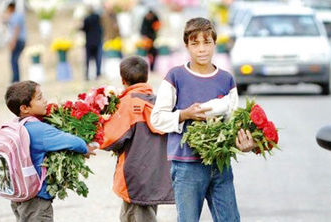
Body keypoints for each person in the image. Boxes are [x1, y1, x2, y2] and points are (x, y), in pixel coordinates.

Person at [150, 17, 257, 222]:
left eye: (207, 42)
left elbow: (233, 122)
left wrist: (244, 143)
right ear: (187, 46)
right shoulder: (176, 76)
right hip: (187, 166)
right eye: (195, 43)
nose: (202, 49)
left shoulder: (226, 79)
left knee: (230, 219)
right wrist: (184, 114)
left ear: (215, 44)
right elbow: (156, 119)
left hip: (220, 164)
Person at [5, 80, 96, 222]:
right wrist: (85, 148)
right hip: (36, 200)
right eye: (40, 98)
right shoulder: (38, 130)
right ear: (25, 108)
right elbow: (72, 141)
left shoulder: (15, 125)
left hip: (19, 196)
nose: (45, 100)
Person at [100, 56, 174, 222]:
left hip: (134, 177)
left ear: (123, 80)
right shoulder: (157, 103)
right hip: (155, 176)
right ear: (146, 77)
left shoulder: (127, 104)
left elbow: (110, 139)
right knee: (139, 214)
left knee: (136, 217)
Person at [80, 7, 103, 80]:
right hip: (97, 41)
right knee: (98, 59)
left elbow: (84, 28)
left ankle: (87, 75)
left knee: (88, 59)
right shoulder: (98, 18)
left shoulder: (86, 19)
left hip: (89, 42)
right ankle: (98, 74)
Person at [6, 2, 26, 83]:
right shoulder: (19, 15)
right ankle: (16, 78)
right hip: (22, 40)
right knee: (15, 60)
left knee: (13, 60)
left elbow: (16, 29)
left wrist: (13, 42)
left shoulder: (14, 17)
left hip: (18, 40)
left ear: (10, 8)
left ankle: (15, 79)